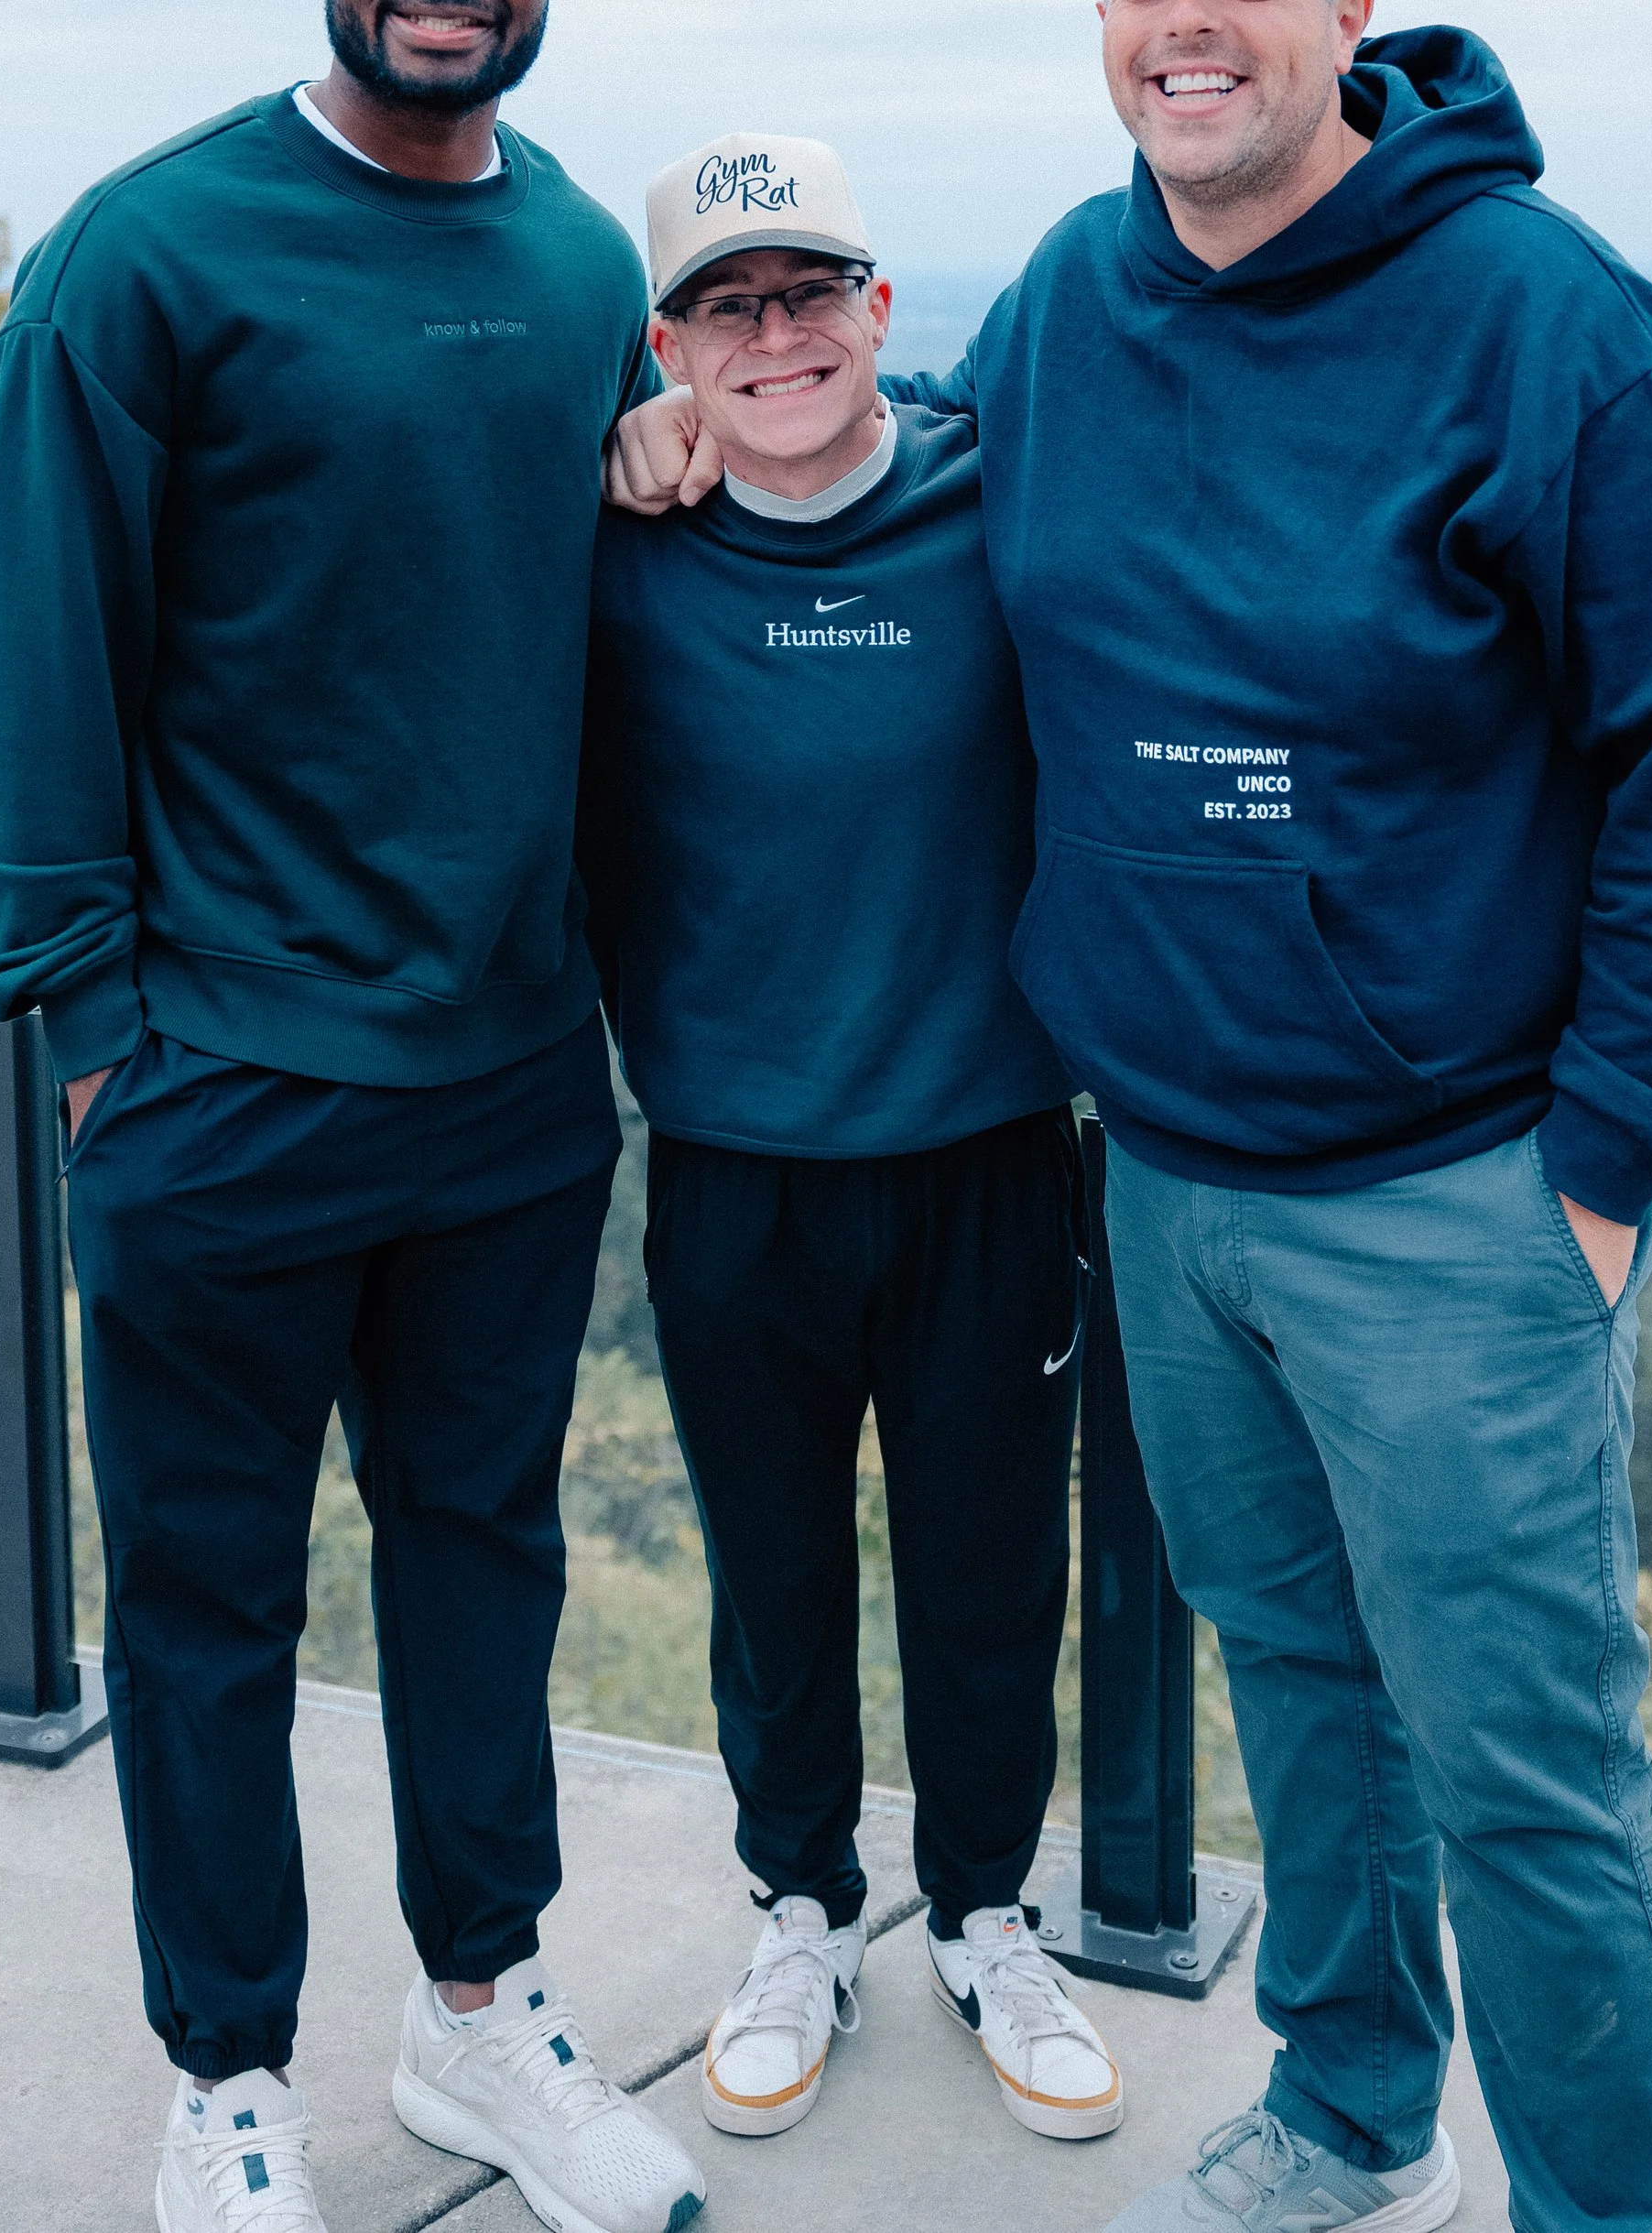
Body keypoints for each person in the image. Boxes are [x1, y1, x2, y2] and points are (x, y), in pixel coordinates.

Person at [607, 0, 1652, 2233]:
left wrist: (1601, 1167)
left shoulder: (1550, 324)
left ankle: (1600, 2205)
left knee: (1527, 1771)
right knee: (1307, 1698)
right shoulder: (1075, 287)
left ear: (1352, 11)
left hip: (1460, 1189)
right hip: (1160, 1176)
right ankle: (1353, 2113)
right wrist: (683, 441)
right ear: (1100, 30)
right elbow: (912, 442)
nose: (1188, 17)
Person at [0, 0, 708, 2233]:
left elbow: (596, 616)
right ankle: (229, 2064)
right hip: (219, 1075)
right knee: (206, 1601)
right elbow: (28, 663)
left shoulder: (586, 255)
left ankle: (480, 2012)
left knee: (483, 1556)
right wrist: (90, 1034)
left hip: (507, 1076)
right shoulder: (150, 248)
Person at [579, 133, 1123, 2156]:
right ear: (669, 346)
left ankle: (983, 1917)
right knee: (777, 1579)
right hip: (732, 1164)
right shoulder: (612, 533)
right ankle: (798, 1911)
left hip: (987, 1149)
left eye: (810, 292)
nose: (776, 334)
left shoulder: (1007, 491)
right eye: (729, 304)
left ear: (881, 310)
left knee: (988, 1577)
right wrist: (614, 453)